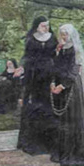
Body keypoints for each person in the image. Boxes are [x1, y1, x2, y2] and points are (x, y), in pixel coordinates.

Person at [48, 24, 84, 166]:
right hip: (60, 85)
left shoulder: (76, 50)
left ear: (71, 35)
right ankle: (63, 151)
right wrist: (53, 82)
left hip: (70, 86)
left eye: (66, 34)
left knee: (72, 118)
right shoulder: (60, 49)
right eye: (62, 34)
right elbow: (55, 67)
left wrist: (62, 86)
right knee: (63, 120)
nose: (64, 37)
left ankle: (77, 152)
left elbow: (74, 70)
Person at [18, 19, 58, 155]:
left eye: (48, 25)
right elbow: (26, 56)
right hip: (34, 75)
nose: (46, 28)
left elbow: (56, 55)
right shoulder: (30, 39)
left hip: (48, 74)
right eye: (43, 25)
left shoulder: (53, 38)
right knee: (35, 105)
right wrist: (22, 67)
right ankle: (34, 141)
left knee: (48, 105)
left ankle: (49, 142)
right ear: (36, 26)